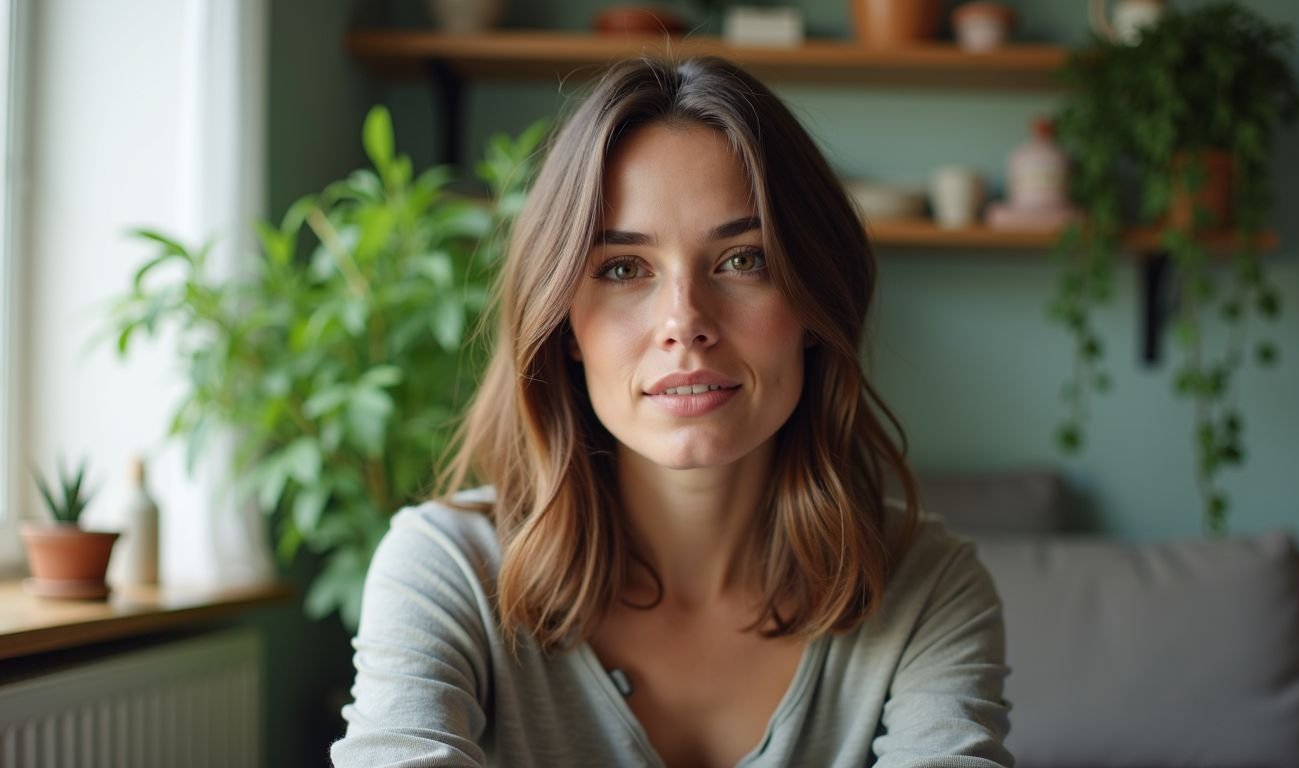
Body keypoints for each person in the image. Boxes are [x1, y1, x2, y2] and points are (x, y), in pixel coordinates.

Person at [331, 55, 1012, 768]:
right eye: (624, 269)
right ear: (564, 325)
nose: (684, 322)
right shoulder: (448, 571)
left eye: (743, 259)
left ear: (816, 303)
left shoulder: (927, 588)